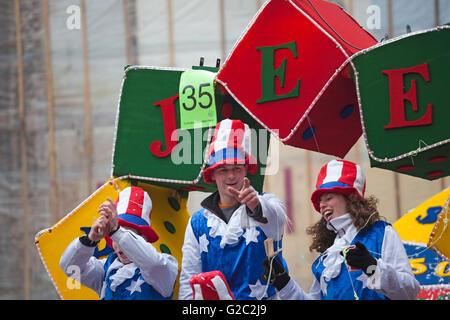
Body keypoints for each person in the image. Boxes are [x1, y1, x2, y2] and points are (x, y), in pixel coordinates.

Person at [262, 159, 420, 300]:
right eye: (320, 200)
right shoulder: (326, 256)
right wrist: (284, 283)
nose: (322, 205)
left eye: (329, 197)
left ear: (351, 198)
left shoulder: (382, 233)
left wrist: (371, 267)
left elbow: (409, 292)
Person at [178, 119, 288, 300]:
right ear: (212, 175)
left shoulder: (268, 204)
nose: (230, 176)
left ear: (246, 170)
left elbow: (278, 219)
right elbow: (189, 281)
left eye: (236, 168)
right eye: (222, 170)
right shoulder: (197, 222)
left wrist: (255, 205)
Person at [60, 186, 178, 300]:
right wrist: (90, 239)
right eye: (115, 236)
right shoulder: (105, 268)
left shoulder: (166, 264)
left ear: (144, 238)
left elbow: (155, 265)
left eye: (128, 234)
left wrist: (117, 232)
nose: (121, 244)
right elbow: (71, 269)